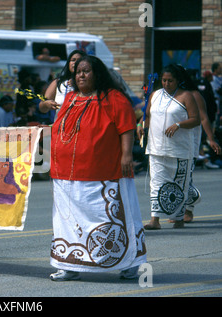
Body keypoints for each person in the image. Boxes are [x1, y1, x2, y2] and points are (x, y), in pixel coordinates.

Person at [41, 55, 146, 281]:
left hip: (104, 172)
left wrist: (126, 155)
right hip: (66, 174)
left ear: (97, 74)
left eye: (86, 71)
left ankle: (130, 262)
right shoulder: (69, 98)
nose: (81, 75)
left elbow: (126, 128)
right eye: (78, 71)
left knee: (112, 218)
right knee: (67, 220)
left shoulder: (114, 98)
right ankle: (69, 264)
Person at [138, 64, 200, 230]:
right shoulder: (155, 95)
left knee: (179, 184)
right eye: (164, 80)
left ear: (178, 81)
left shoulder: (186, 96)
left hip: (179, 150)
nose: (166, 84)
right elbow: (148, 116)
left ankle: (179, 218)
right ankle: (155, 220)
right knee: (156, 183)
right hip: (156, 148)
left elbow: (196, 119)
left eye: (170, 81)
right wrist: (140, 124)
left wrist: (178, 124)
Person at [174, 66, 221, 223]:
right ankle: (177, 210)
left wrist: (211, 139)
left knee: (187, 177)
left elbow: (203, 118)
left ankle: (189, 209)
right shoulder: (168, 96)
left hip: (189, 142)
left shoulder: (194, 95)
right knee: (174, 178)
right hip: (172, 142)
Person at [39, 49, 87, 116]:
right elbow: (42, 108)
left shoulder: (90, 83)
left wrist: (78, 85)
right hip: (61, 125)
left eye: (79, 60)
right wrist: (46, 104)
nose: (75, 62)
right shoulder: (58, 82)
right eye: (73, 60)